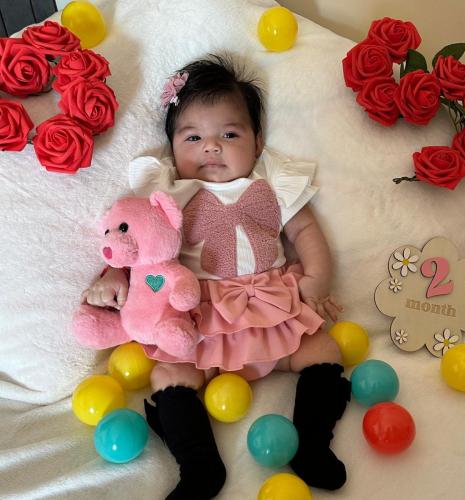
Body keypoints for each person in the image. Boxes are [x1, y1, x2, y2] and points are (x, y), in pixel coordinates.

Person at [83, 55, 351, 500]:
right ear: (172, 147)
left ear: (257, 142)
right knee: (169, 373)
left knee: (323, 349)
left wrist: (317, 279)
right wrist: (115, 274)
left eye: (229, 134)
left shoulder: (270, 180)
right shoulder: (166, 191)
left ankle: (312, 445)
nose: (211, 147)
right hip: (196, 316)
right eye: (193, 137)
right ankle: (199, 466)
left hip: (268, 305)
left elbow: (304, 231)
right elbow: (139, 246)